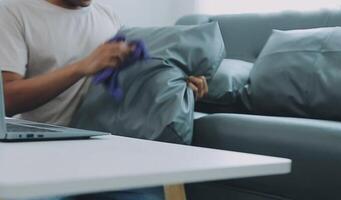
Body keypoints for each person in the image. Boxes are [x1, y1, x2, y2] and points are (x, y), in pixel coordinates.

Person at [0, 0, 208, 199]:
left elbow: (131, 81)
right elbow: (7, 100)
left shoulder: (108, 17)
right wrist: (83, 66)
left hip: (108, 153)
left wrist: (178, 83)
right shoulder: (15, 14)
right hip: (42, 158)